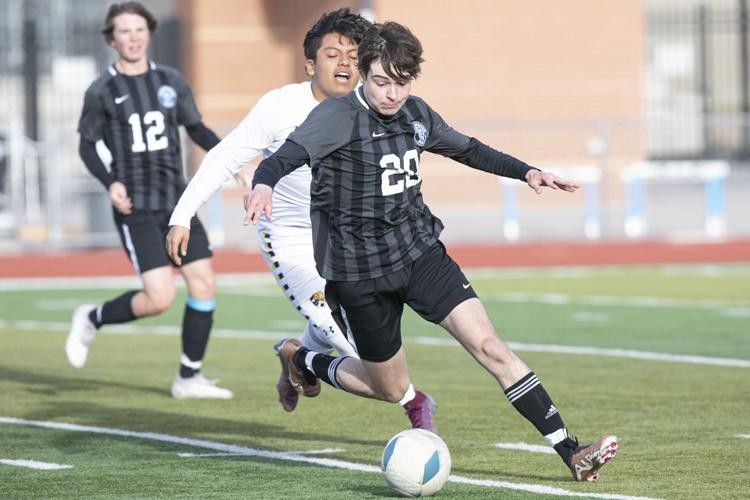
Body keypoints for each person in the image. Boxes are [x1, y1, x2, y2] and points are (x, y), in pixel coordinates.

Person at [243, 21, 619, 482]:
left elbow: (468, 149)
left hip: (420, 253)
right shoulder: (337, 117)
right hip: (360, 275)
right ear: (364, 73)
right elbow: (283, 157)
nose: (392, 94)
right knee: (392, 388)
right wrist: (263, 186)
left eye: (401, 83)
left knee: (490, 346)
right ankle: (301, 357)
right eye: (381, 82)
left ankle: (572, 452)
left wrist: (528, 172)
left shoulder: (415, 114)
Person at [165, 9, 436, 430]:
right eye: (333, 54)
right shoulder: (280, 107)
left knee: (342, 327)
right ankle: (414, 405)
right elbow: (224, 157)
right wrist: (182, 215)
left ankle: (295, 355)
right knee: (357, 349)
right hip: (291, 240)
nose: (345, 63)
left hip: (347, 244)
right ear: (311, 63)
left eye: (353, 54)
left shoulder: (376, 107)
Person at [66, 1, 232, 400]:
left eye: (139, 29)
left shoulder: (171, 81)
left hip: (178, 202)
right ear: (112, 39)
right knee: (159, 298)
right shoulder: (102, 90)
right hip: (135, 205)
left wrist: (232, 157)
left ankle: (188, 378)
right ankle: (92, 317)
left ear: (150, 34)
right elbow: (87, 146)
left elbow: (196, 128)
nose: (133, 37)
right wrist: (110, 182)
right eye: (124, 31)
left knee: (204, 283)